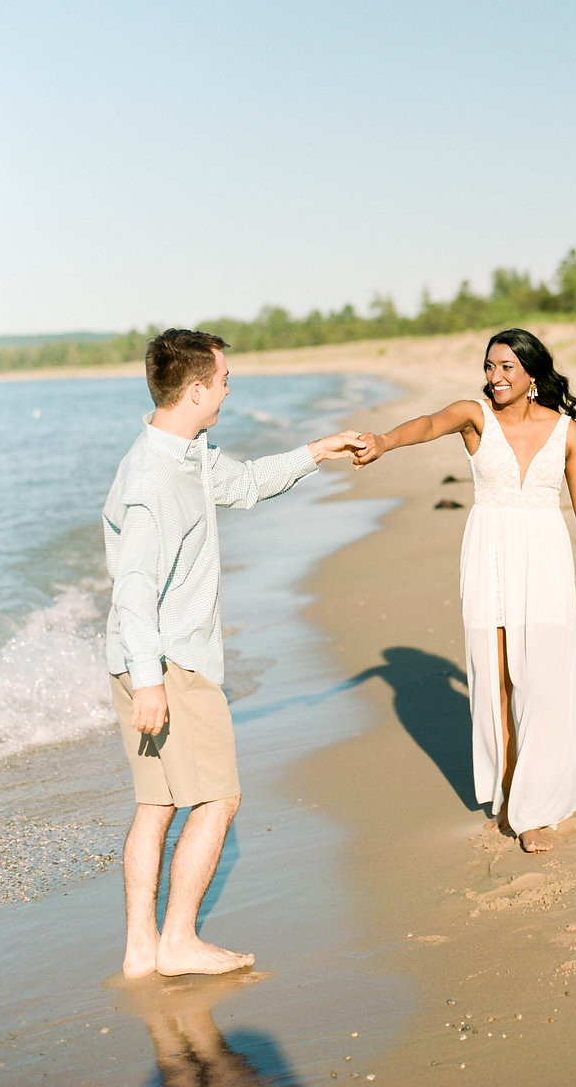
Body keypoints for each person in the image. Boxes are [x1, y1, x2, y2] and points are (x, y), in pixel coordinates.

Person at [103, 328, 362, 978]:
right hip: (168, 663)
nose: (227, 391)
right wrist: (150, 681)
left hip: (153, 661)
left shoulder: (186, 453)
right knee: (218, 799)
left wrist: (317, 451)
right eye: (222, 382)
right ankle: (178, 940)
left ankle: (142, 951)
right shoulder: (153, 478)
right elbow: (133, 588)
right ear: (195, 389)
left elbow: (244, 484)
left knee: (157, 805)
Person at [353, 327, 576, 853]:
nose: (495, 377)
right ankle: (510, 800)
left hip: (545, 561)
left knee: (543, 684)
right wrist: (384, 442)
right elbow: (430, 424)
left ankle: (536, 807)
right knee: (497, 684)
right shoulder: (475, 415)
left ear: (531, 374)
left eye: (506, 367)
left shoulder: (566, 432)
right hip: (490, 558)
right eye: (489, 366)